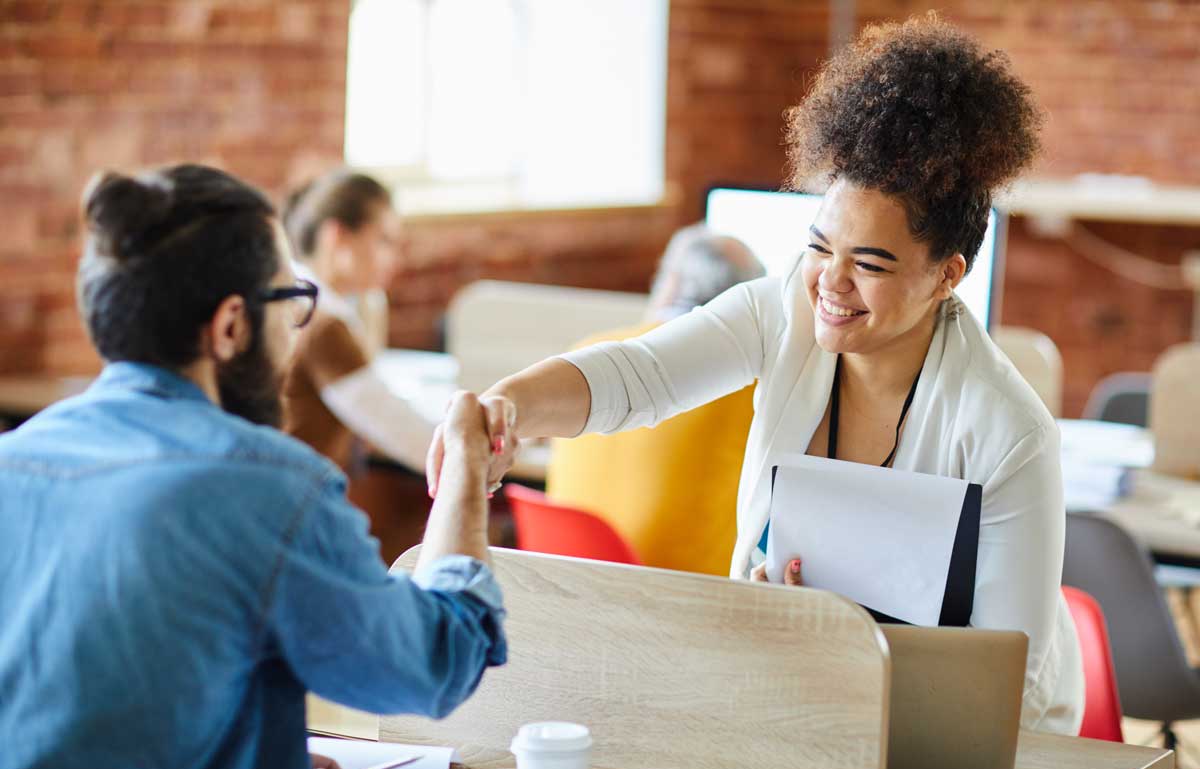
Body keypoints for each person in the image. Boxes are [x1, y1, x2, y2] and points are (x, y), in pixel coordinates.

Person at [431, 14, 1083, 733]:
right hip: (800, 700)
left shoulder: (1007, 431)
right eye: (818, 246)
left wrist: (837, 640)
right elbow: (638, 375)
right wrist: (508, 404)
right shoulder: (784, 313)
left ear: (947, 275)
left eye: (869, 264)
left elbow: (1007, 683)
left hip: (964, 736)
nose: (829, 283)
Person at [0, 164, 516, 769]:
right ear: (231, 327)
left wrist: (238, 759)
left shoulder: (12, 462)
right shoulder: (269, 491)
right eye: (289, 301)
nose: (295, 332)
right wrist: (467, 468)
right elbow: (432, 665)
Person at [546, 225, 765, 574]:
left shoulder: (585, 352)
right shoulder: (752, 382)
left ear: (671, 283)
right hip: (681, 596)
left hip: (565, 580)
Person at [281, 170, 433, 474]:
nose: (394, 259)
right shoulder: (323, 325)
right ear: (337, 236)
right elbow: (408, 436)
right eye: (383, 241)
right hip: (299, 500)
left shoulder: (292, 297)